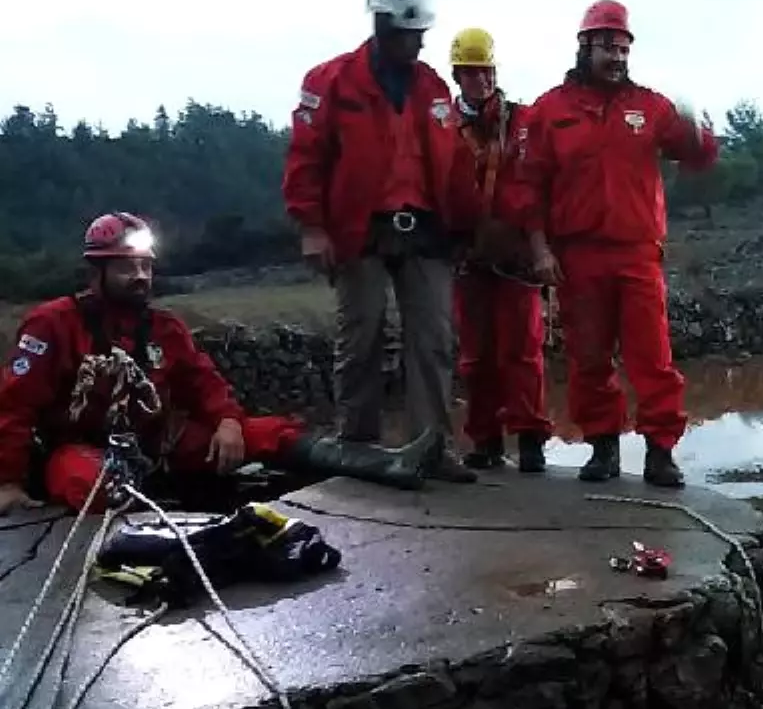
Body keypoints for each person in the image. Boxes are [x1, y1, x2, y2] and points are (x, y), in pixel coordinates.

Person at [0, 213, 443, 516]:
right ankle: (157, 533)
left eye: (145, 267)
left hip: (158, 444)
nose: (140, 277)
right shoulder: (51, 325)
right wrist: (9, 482)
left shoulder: (164, 327)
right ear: (95, 272)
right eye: (126, 268)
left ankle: (388, 465)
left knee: (268, 433)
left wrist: (228, 422)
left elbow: (204, 384)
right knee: (91, 483)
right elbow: (14, 407)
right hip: (80, 448)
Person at [510, 0, 718, 488]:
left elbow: (697, 157)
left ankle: (660, 453)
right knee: (589, 359)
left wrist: (699, 130)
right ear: (584, 46)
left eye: (623, 47)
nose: (617, 56)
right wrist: (540, 250)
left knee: (653, 358)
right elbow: (528, 188)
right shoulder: (549, 110)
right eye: (606, 45)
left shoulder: (650, 106)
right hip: (578, 257)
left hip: (638, 252)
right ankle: (602, 448)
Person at [281, 0, 475, 483]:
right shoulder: (330, 82)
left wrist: (464, 225)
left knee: (432, 338)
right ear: (385, 26)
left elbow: (453, 163)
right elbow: (306, 159)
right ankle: (357, 444)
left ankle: (433, 445)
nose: (421, 41)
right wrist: (312, 227)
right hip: (358, 226)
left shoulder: (433, 86)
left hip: (427, 229)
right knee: (361, 335)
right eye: (413, 32)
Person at [445, 27, 553, 472]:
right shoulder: (444, 127)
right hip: (466, 255)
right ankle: (485, 440)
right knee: (476, 354)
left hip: (515, 255)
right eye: (472, 73)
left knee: (523, 349)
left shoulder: (523, 121)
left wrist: (538, 246)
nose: (482, 81)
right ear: (457, 76)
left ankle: (530, 440)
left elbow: (539, 184)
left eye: (487, 71)